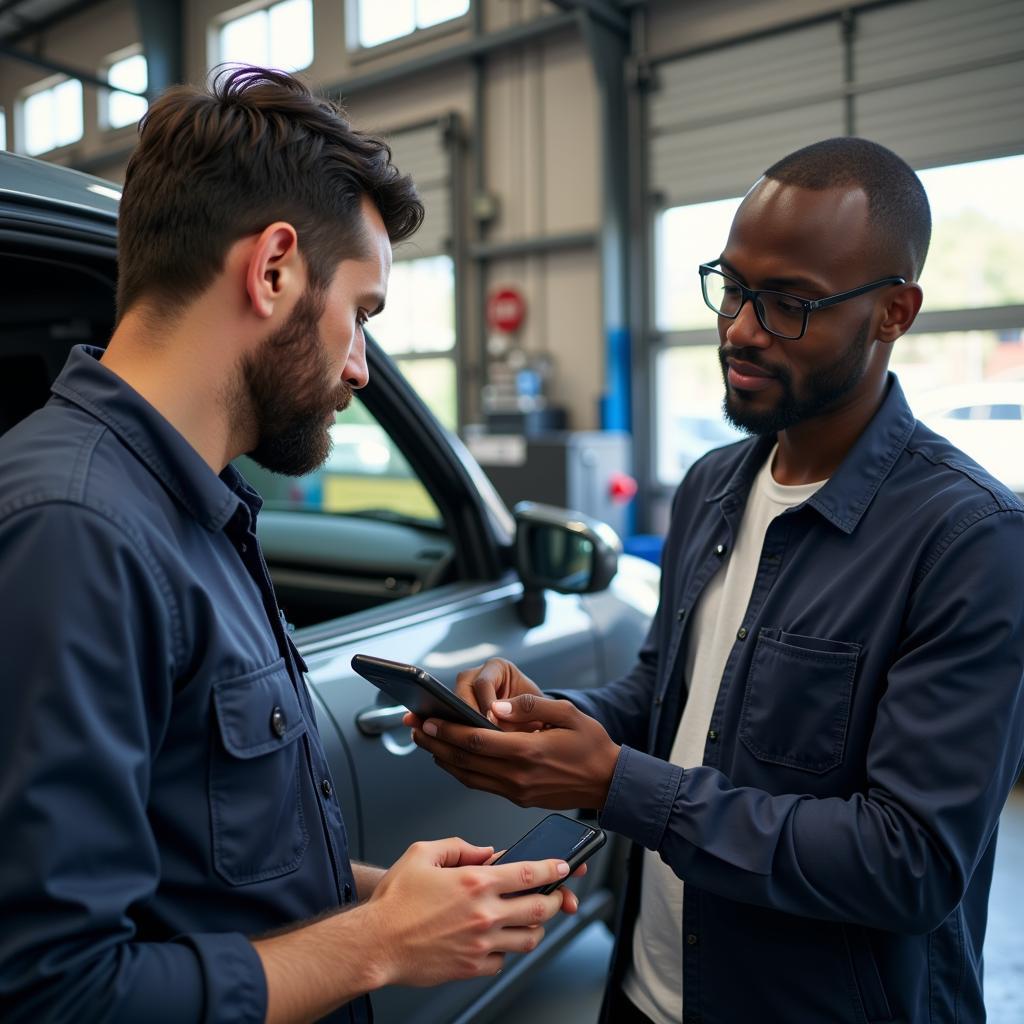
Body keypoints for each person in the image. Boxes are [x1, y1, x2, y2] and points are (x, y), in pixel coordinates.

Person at [0, 68, 580, 1024]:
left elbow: (196, 870)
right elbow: (56, 994)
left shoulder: (193, 506)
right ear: (272, 270)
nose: (359, 363)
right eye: (362, 315)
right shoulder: (77, 535)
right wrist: (379, 947)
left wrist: (388, 899)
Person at [408, 137, 1024, 1023]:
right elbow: (670, 694)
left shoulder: (967, 539)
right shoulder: (712, 486)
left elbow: (911, 862)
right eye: (733, 287)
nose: (739, 327)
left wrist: (614, 783)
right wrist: (551, 719)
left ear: (895, 311)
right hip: (650, 989)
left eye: (789, 304)